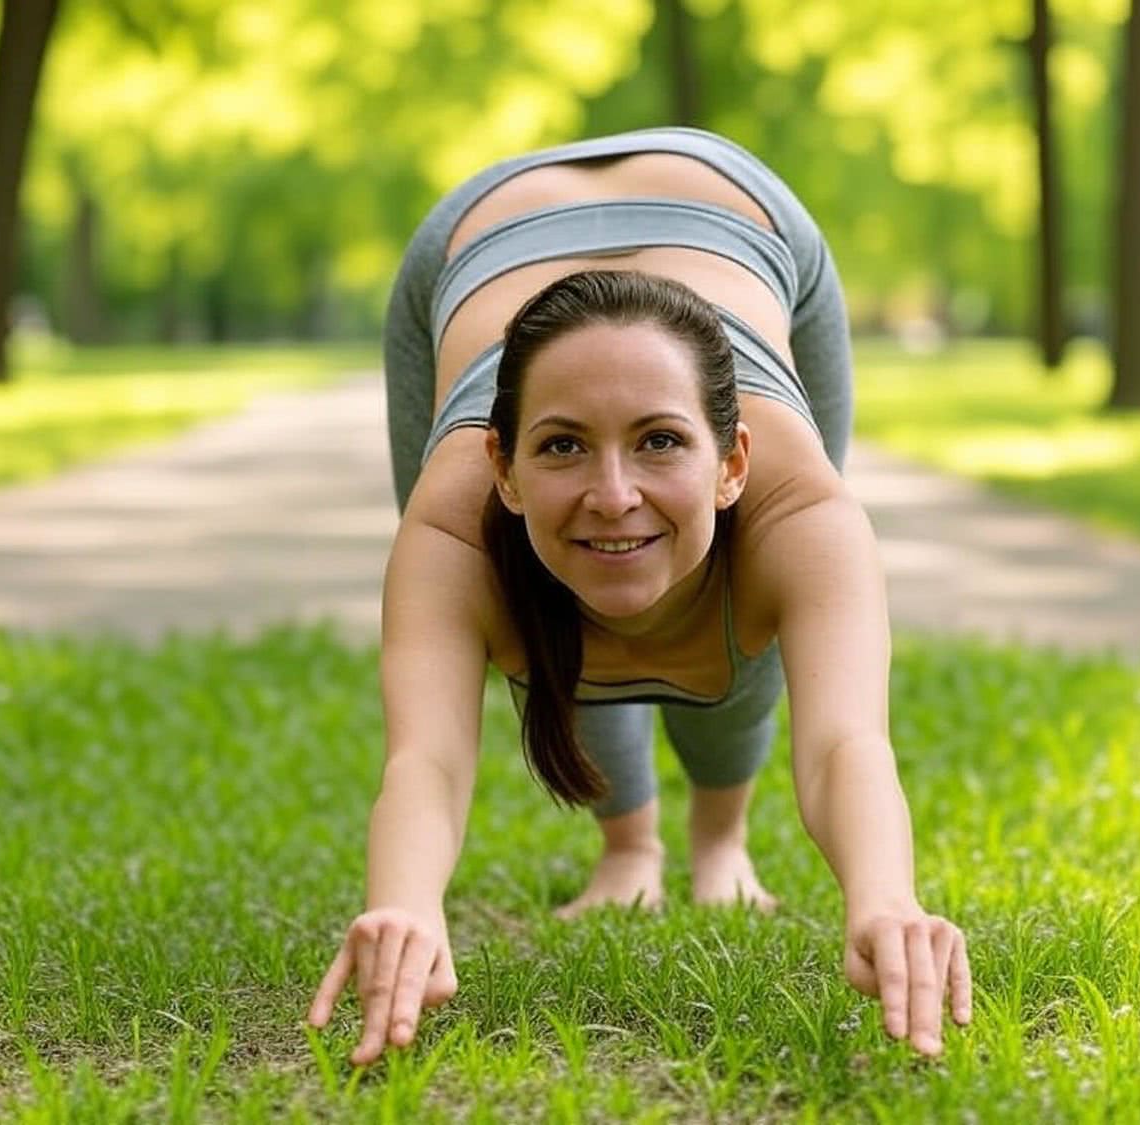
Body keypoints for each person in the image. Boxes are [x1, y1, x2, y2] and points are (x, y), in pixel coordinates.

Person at [306, 127, 972, 1065]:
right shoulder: (451, 525)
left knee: (740, 583)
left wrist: (885, 897)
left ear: (733, 458)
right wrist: (406, 903)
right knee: (553, 576)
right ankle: (628, 849)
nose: (613, 492)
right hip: (480, 230)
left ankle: (720, 841)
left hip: (739, 209)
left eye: (660, 441)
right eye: (562, 446)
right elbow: (428, 759)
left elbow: (843, 741)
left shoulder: (801, 507)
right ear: (500, 462)